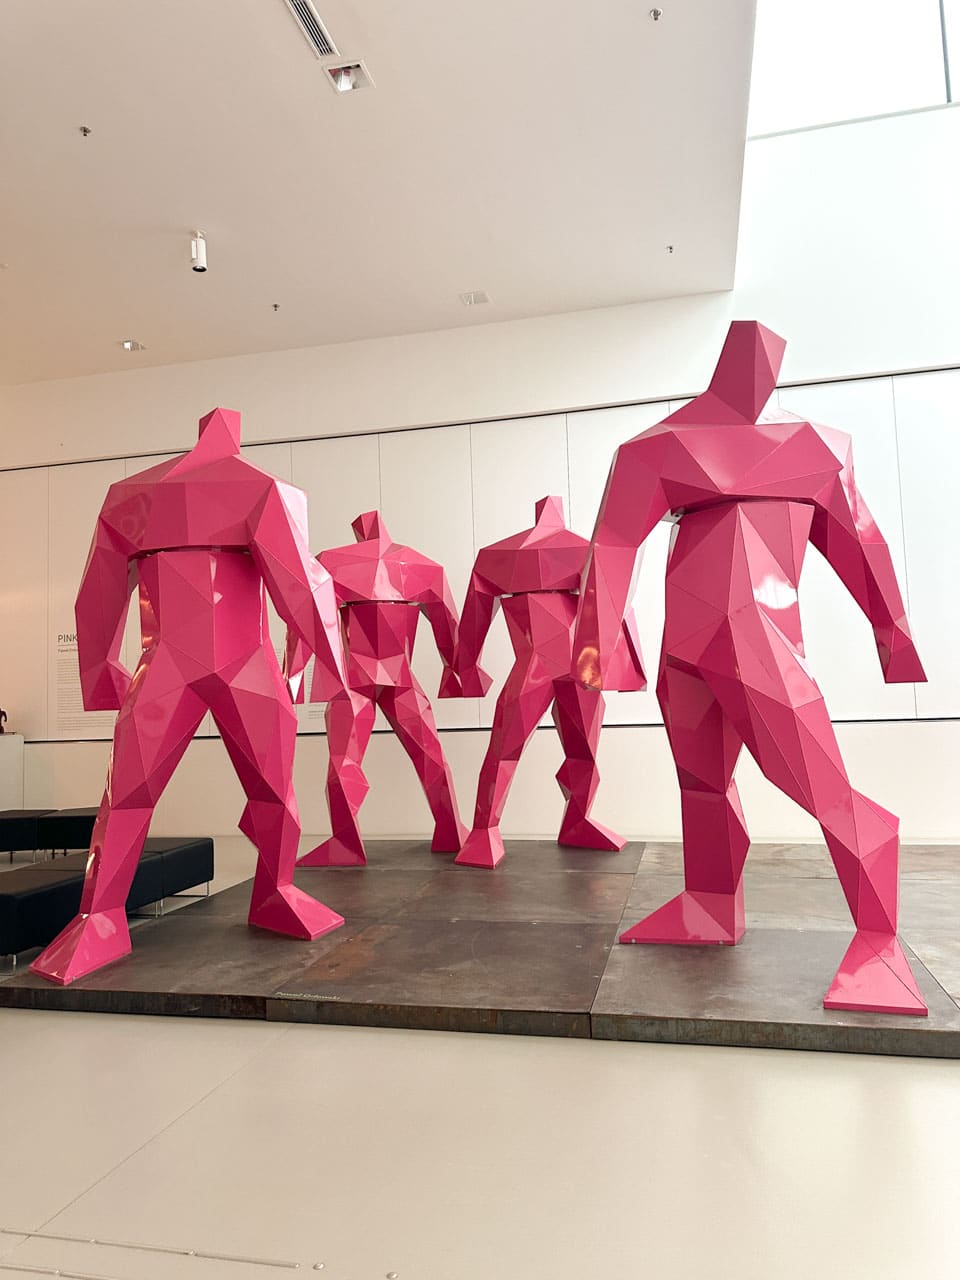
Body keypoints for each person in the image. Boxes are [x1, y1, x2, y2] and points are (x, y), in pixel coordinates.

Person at [572, 322, 928, 1015]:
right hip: (687, 649)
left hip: (758, 640)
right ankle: (709, 903)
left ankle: (879, 942)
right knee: (702, 781)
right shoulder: (663, 445)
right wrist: (598, 642)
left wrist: (895, 635)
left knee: (820, 788)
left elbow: (861, 541)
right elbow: (613, 541)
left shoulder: (813, 448)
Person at [32, 407, 347, 985]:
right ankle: (275, 892)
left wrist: (101, 671)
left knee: (126, 794)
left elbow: (97, 593)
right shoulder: (260, 488)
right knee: (275, 792)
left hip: (166, 662)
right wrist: (330, 671)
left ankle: (98, 918)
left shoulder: (137, 493)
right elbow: (298, 586)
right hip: (244, 664)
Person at [454, 496, 643, 868]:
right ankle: (484, 830)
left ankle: (573, 821)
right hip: (550, 666)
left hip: (567, 667)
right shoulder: (573, 550)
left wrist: (466, 667)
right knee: (512, 748)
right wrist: (630, 665)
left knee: (570, 752)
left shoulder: (506, 556)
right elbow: (617, 608)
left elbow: (615, 606)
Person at [288, 511, 467, 865]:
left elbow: (307, 619)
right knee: (429, 754)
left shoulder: (333, 562)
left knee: (343, 763)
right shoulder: (420, 565)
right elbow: (448, 622)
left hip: (356, 679)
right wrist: (456, 669)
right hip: (400, 678)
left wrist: (292, 675)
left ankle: (346, 842)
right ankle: (451, 830)